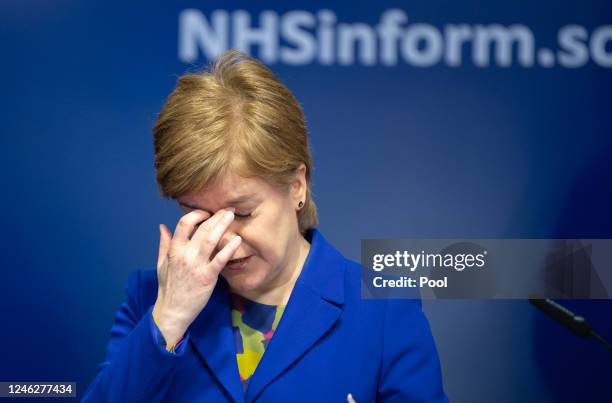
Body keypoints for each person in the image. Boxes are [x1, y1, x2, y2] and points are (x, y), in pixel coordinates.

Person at [82, 50, 449, 403]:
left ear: (297, 187)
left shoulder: (384, 309)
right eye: (200, 215)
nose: (222, 241)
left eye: (241, 213)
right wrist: (170, 318)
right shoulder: (150, 299)